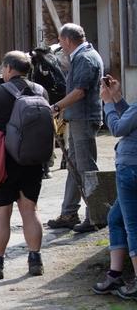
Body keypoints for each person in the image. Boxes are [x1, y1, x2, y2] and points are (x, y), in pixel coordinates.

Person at [0, 51, 46, 280]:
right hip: (32, 160)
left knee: (1, 214)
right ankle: (35, 260)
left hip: (3, 162)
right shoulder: (40, 91)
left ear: (8, 68)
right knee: (30, 211)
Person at [47, 23, 103, 233]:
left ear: (68, 40)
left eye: (61, 41)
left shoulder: (85, 58)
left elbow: (79, 92)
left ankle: (96, 215)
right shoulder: (83, 56)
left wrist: (56, 107)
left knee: (87, 167)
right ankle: (69, 212)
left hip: (84, 119)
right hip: (79, 118)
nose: (60, 45)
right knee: (74, 165)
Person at [92, 75, 137, 300]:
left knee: (132, 224)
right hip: (130, 167)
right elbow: (132, 120)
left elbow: (119, 128)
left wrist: (108, 104)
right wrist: (117, 97)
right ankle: (115, 274)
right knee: (115, 218)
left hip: (131, 169)